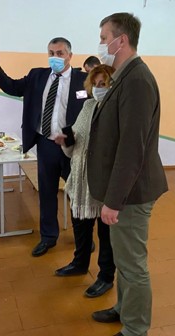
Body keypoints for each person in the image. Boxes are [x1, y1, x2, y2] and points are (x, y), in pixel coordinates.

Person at [87, 13, 168, 336]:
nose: (101, 44)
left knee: (132, 264)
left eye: (104, 38)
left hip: (131, 194)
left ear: (121, 40)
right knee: (123, 258)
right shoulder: (124, 76)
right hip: (122, 190)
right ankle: (124, 308)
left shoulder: (137, 81)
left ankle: (135, 328)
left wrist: (114, 201)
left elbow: (132, 148)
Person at [0, 38, 88, 257]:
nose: (55, 57)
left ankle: (83, 238)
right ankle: (48, 237)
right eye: (51, 53)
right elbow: (13, 87)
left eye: (60, 53)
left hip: (74, 146)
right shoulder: (37, 75)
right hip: (46, 143)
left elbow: (92, 111)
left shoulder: (83, 80)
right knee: (47, 192)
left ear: (70, 55)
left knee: (77, 194)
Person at [54, 64, 116, 298]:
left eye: (104, 84)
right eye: (96, 84)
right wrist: (66, 140)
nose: (99, 88)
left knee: (106, 234)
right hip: (80, 179)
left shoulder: (117, 110)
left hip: (102, 181)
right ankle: (79, 263)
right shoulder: (88, 106)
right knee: (80, 225)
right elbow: (76, 142)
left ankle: (106, 276)